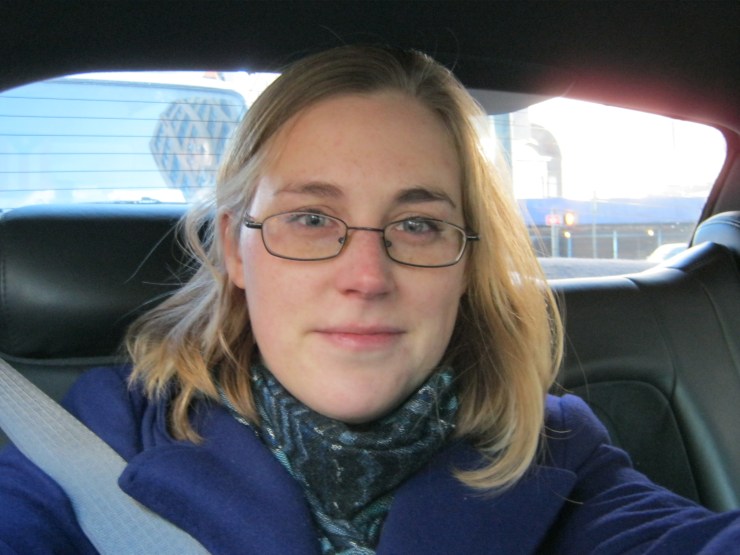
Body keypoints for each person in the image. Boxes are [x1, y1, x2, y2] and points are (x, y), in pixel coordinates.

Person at [1, 44, 739, 555]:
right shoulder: (94, 438)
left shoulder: (555, 455)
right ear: (234, 248)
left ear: (466, 264)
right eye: (310, 218)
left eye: (417, 225)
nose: (366, 276)